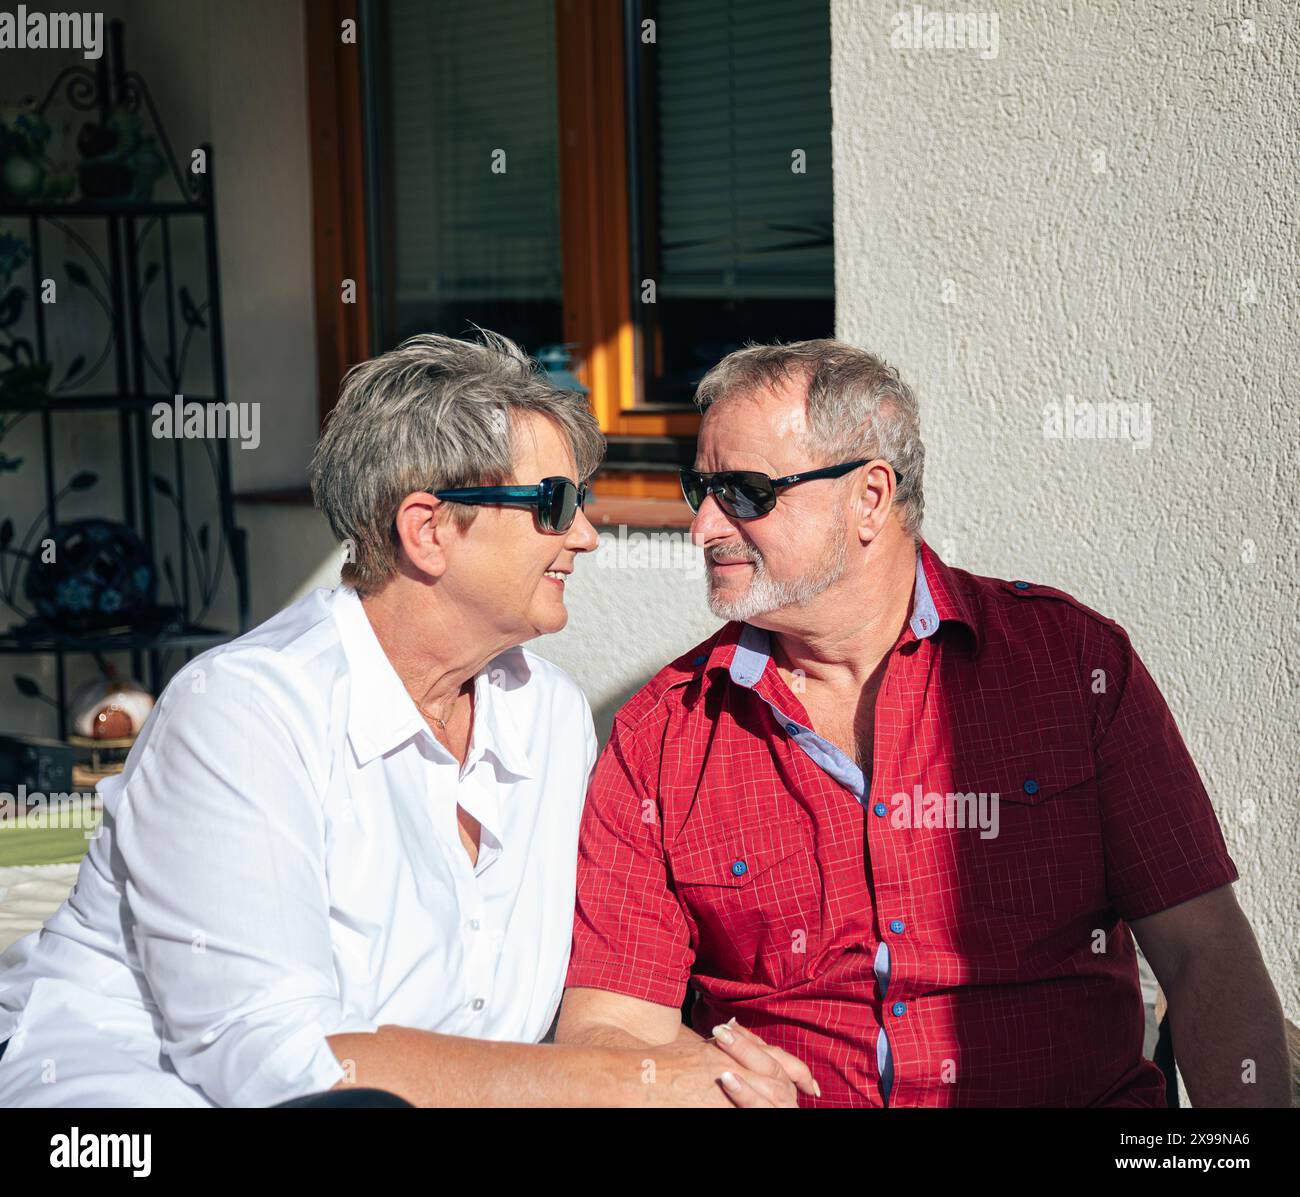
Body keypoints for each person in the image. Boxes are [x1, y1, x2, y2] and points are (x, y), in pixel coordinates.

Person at [0, 332, 812, 1108]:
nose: (589, 535)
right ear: (427, 529)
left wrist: (700, 1066)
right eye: (555, 503)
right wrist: (624, 1080)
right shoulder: (246, 714)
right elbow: (281, 1062)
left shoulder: (550, 715)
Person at [555, 338, 1291, 1107]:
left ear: (870, 497)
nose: (704, 525)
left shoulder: (1071, 666)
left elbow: (1205, 953)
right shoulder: (662, 734)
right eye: (698, 489)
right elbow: (608, 1028)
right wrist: (700, 1068)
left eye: (743, 491)